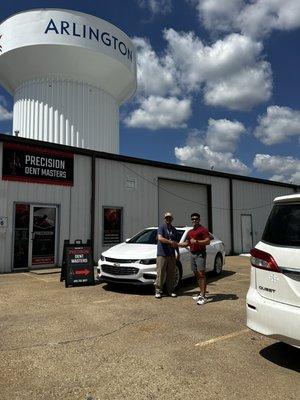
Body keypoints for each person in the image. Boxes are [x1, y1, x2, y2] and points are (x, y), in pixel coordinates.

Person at [180, 213, 210, 305]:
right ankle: (201, 293)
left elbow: (208, 241)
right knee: (196, 274)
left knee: (201, 274)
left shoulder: (203, 230)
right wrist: (177, 244)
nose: (194, 220)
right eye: (192, 219)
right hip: (192, 254)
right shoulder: (190, 232)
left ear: (199, 219)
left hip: (200, 254)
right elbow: (187, 243)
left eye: (196, 219)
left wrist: (196, 241)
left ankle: (203, 296)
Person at [155, 212, 180, 299]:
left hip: (171, 255)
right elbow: (160, 238)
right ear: (164, 219)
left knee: (171, 274)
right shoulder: (161, 227)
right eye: (167, 218)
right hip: (162, 254)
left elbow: (176, 242)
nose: (168, 219)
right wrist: (170, 242)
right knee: (160, 274)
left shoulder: (174, 229)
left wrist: (178, 252)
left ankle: (170, 291)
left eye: (170, 218)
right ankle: (158, 291)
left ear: (172, 219)